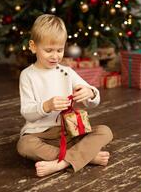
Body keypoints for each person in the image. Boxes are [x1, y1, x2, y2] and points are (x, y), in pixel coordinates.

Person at [16, 14, 113, 177]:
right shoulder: (28, 75)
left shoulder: (66, 72)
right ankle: (86, 157)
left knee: (105, 131)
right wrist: (46, 106)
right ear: (33, 46)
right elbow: (27, 112)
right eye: (48, 50)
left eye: (59, 50)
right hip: (40, 133)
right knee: (24, 145)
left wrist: (90, 93)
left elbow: (93, 100)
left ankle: (60, 163)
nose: (55, 56)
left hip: (69, 131)